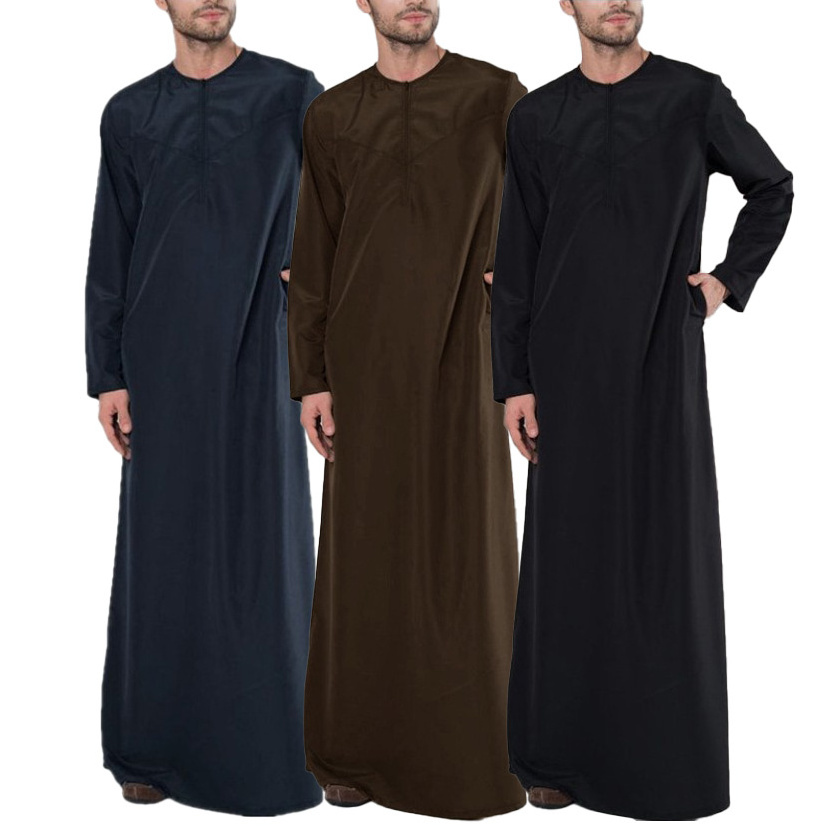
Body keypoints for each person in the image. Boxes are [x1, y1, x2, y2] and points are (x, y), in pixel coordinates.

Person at [490, 0, 793, 821]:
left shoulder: (692, 96)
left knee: (662, 552)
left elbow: (771, 186)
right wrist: (514, 381)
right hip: (561, 369)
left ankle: (662, 763)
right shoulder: (536, 116)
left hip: (661, 357)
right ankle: (554, 758)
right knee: (568, 558)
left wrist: (724, 282)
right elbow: (516, 255)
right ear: (567, 4)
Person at [287, 0, 527, 819]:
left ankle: (474, 753)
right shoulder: (331, 115)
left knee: (466, 550)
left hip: (469, 352)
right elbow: (314, 250)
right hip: (362, 363)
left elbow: (545, 206)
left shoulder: (495, 96)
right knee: (365, 553)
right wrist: (313, 377)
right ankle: (352, 753)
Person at [84, 0, 323, 815]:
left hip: (266, 351)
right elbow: (112, 246)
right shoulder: (130, 112)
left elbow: (342, 207)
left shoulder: (292, 94)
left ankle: (273, 750)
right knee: (164, 549)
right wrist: (109, 374)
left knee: (264, 546)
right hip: (161, 362)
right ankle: (151, 748)